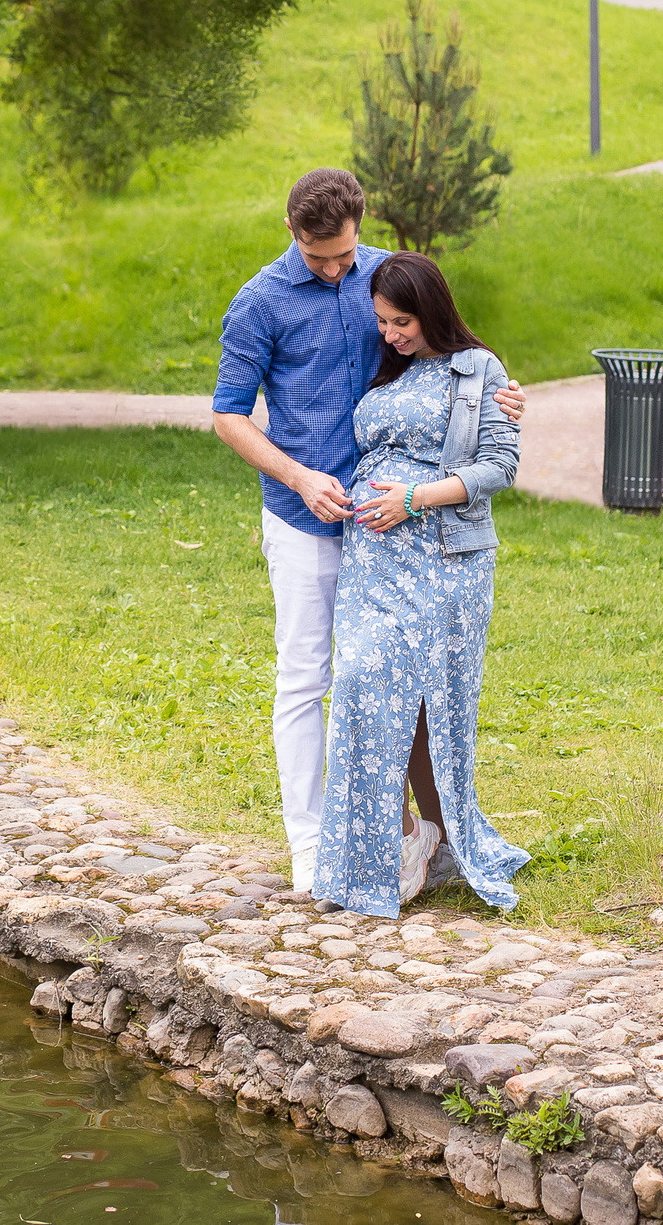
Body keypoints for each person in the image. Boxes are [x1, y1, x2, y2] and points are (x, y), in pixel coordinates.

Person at [212, 170, 522, 891]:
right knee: (308, 677)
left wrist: (502, 394)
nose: (336, 269)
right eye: (320, 257)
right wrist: (298, 477)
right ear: (293, 231)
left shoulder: (378, 273)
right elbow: (229, 414)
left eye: (344, 254)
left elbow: (445, 354)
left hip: (394, 533)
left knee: (385, 681)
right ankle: (312, 846)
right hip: (303, 517)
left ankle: (415, 839)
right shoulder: (259, 302)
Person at [313, 250, 528, 916]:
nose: (390, 334)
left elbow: (499, 466)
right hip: (373, 566)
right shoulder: (389, 369)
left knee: (433, 705)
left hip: (442, 561)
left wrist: (414, 497)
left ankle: (439, 837)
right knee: (359, 686)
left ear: (431, 309)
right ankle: (392, 843)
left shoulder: (480, 371)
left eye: (401, 320)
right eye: (381, 321)